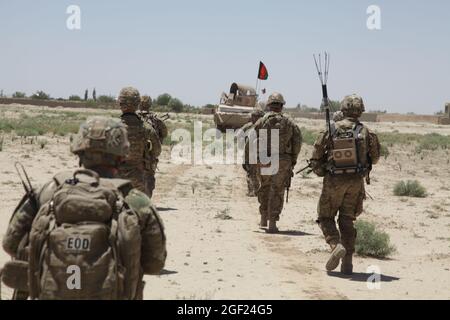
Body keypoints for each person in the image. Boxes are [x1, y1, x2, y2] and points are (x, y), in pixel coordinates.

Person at [2, 117, 167, 299]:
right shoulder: (136, 202)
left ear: (79, 150)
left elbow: (11, 244)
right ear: (121, 155)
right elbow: (155, 263)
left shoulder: (48, 192)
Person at [310, 94, 380, 275]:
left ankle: (335, 245)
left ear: (344, 109)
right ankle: (347, 264)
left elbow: (316, 157)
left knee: (325, 217)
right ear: (361, 111)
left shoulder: (331, 129)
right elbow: (376, 158)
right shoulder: (367, 132)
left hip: (334, 180)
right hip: (356, 182)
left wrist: (322, 171)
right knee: (347, 220)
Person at [254, 93, 302, 233]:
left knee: (265, 187)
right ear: (281, 105)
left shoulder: (261, 121)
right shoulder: (290, 123)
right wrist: (293, 160)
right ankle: (272, 223)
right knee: (277, 190)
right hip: (282, 160)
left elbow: (252, 139)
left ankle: (263, 217)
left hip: (265, 159)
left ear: (269, 105)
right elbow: (297, 142)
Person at [117, 87, 158, 197]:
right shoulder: (147, 128)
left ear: (120, 103)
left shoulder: (112, 128)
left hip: (116, 178)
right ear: (137, 104)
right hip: (140, 178)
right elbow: (157, 150)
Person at [138, 95, 166, 198]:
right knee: (149, 178)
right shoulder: (156, 119)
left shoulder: (131, 117)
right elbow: (164, 133)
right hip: (149, 155)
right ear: (150, 104)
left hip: (132, 154)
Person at [239, 109, 265, 197]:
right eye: (252, 116)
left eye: (255, 116)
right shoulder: (249, 126)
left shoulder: (266, 127)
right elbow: (239, 135)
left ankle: (259, 191)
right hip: (251, 153)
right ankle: (252, 190)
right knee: (251, 173)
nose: (253, 118)